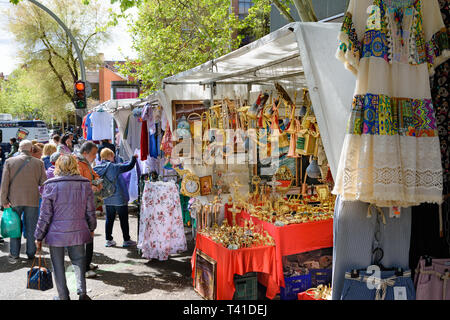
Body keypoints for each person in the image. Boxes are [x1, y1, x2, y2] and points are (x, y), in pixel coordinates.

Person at [34, 155, 96, 300]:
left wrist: (39, 236)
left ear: (58, 167)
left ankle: (63, 296)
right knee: (79, 261)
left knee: (58, 265)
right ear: (75, 166)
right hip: (78, 230)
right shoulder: (85, 184)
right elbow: (90, 211)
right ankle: (82, 293)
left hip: (56, 234)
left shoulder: (50, 185)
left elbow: (45, 215)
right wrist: (92, 228)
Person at [0, 140, 47, 264]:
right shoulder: (39, 163)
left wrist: (3, 200)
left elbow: (4, 183)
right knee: (31, 227)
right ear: (31, 149)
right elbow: (43, 182)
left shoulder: (9, 161)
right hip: (32, 199)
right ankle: (31, 253)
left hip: (14, 199)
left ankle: (14, 254)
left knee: (14, 227)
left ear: (19, 149)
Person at [94, 148, 137, 248]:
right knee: (123, 219)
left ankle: (109, 240)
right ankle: (126, 240)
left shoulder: (97, 168)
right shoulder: (113, 167)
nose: (114, 158)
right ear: (109, 156)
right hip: (119, 198)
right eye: (112, 156)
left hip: (107, 197)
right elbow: (128, 166)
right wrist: (133, 158)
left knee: (109, 219)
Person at [76, 141, 102, 278]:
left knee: (90, 234)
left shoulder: (85, 163)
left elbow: (93, 175)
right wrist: (91, 185)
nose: (95, 156)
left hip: (88, 204)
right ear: (85, 153)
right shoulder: (77, 163)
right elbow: (79, 182)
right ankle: (84, 268)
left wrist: (96, 181)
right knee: (87, 236)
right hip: (82, 206)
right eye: (93, 154)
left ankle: (87, 263)